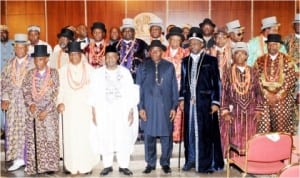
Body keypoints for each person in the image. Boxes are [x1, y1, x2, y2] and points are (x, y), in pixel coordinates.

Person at [89, 45, 139, 176]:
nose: (110, 59)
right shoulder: (97, 74)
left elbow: (131, 93)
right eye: (108, 57)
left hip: (121, 112)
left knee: (123, 137)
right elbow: (92, 93)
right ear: (104, 58)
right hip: (103, 111)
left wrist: (131, 111)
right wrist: (93, 112)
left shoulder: (125, 73)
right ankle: (107, 165)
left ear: (117, 57)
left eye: (113, 57)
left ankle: (123, 165)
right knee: (105, 137)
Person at [179, 27, 224, 173]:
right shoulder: (185, 61)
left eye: (196, 43)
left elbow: (217, 82)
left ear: (202, 45)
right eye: (191, 43)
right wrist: (181, 98)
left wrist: (215, 102)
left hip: (205, 104)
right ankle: (190, 160)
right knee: (190, 133)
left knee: (205, 134)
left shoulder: (210, 60)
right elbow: (183, 82)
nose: (193, 46)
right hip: (189, 104)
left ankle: (205, 163)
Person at [136, 40, 178, 174]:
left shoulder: (169, 66)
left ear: (162, 52)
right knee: (149, 136)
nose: (155, 53)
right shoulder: (142, 66)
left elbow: (174, 89)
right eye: (152, 50)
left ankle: (165, 163)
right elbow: (138, 89)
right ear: (149, 52)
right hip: (148, 106)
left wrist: (173, 107)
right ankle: (150, 163)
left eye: (158, 50)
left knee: (166, 136)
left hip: (165, 106)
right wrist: (140, 108)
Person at [56, 41, 97, 175]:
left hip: (85, 108)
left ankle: (86, 165)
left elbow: (94, 90)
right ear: (69, 56)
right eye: (72, 54)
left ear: (81, 55)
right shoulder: (62, 70)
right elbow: (59, 89)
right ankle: (70, 165)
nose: (74, 57)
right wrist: (59, 102)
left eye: (77, 54)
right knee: (70, 136)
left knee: (85, 136)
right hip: (69, 108)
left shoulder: (89, 69)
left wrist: (93, 108)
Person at [220, 42, 263, 157]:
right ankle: (235, 162)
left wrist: (259, 110)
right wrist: (225, 111)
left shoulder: (253, 71)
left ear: (247, 56)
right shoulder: (228, 72)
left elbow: (259, 92)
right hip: (234, 110)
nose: (239, 56)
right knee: (235, 135)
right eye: (237, 53)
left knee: (251, 136)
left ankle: (251, 161)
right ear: (233, 56)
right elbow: (224, 93)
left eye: (242, 53)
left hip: (251, 111)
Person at [22, 45, 60, 175]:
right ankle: (36, 166)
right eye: (36, 59)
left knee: (50, 139)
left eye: (41, 59)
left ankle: (50, 166)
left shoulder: (54, 73)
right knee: (35, 140)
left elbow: (56, 93)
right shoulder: (29, 74)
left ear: (46, 59)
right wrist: (30, 103)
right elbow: (26, 90)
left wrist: (46, 110)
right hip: (34, 112)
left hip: (49, 113)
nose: (38, 62)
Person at [1, 34, 34, 171]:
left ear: (27, 48)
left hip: (28, 102)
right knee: (14, 130)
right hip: (13, 103)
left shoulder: (33, 63)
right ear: (14, 48)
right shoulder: (9, 63)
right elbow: (3, 83)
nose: (19, 50)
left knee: (28, 130)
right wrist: (5, 98)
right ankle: (18, 159)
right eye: (17, 48)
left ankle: (30, 160)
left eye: (22, 48)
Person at [255, 34, 296, 134]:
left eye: (274, 44)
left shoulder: (288, 60)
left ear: (279, 46)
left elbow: (289, 81)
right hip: (264, 100)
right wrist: (267, 94)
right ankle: (265, 149)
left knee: (281, 129)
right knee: (264, 128)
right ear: (267, 45)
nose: (272, 47)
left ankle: (281, 149)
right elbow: (256, 79)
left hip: (282, 100)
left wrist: (277, 96)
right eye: (270, 44)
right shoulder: (259, 60)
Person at [162, 26, 189, 142]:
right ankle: (165, 137)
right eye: (173, 39)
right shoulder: (162, 53)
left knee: (179, 113)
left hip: (180, 88)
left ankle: (178, 137)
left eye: (178, 40)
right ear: (169, 40)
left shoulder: (186, 53)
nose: (175, 42)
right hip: (164, 89)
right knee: (165, 113)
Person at [284, 13, 300, 133]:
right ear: (293, 25)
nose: (299, 26)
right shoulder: (287, 40)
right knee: (292, 106)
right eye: (297, 24)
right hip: (291, 79)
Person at [0, 24, 14, 139]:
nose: (2, 34)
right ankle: (2, 128)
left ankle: (8, 129)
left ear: (8, 33)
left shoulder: (14, 44)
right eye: (0, 32)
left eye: (4, 32)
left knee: (9, 103)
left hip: (11, 81)